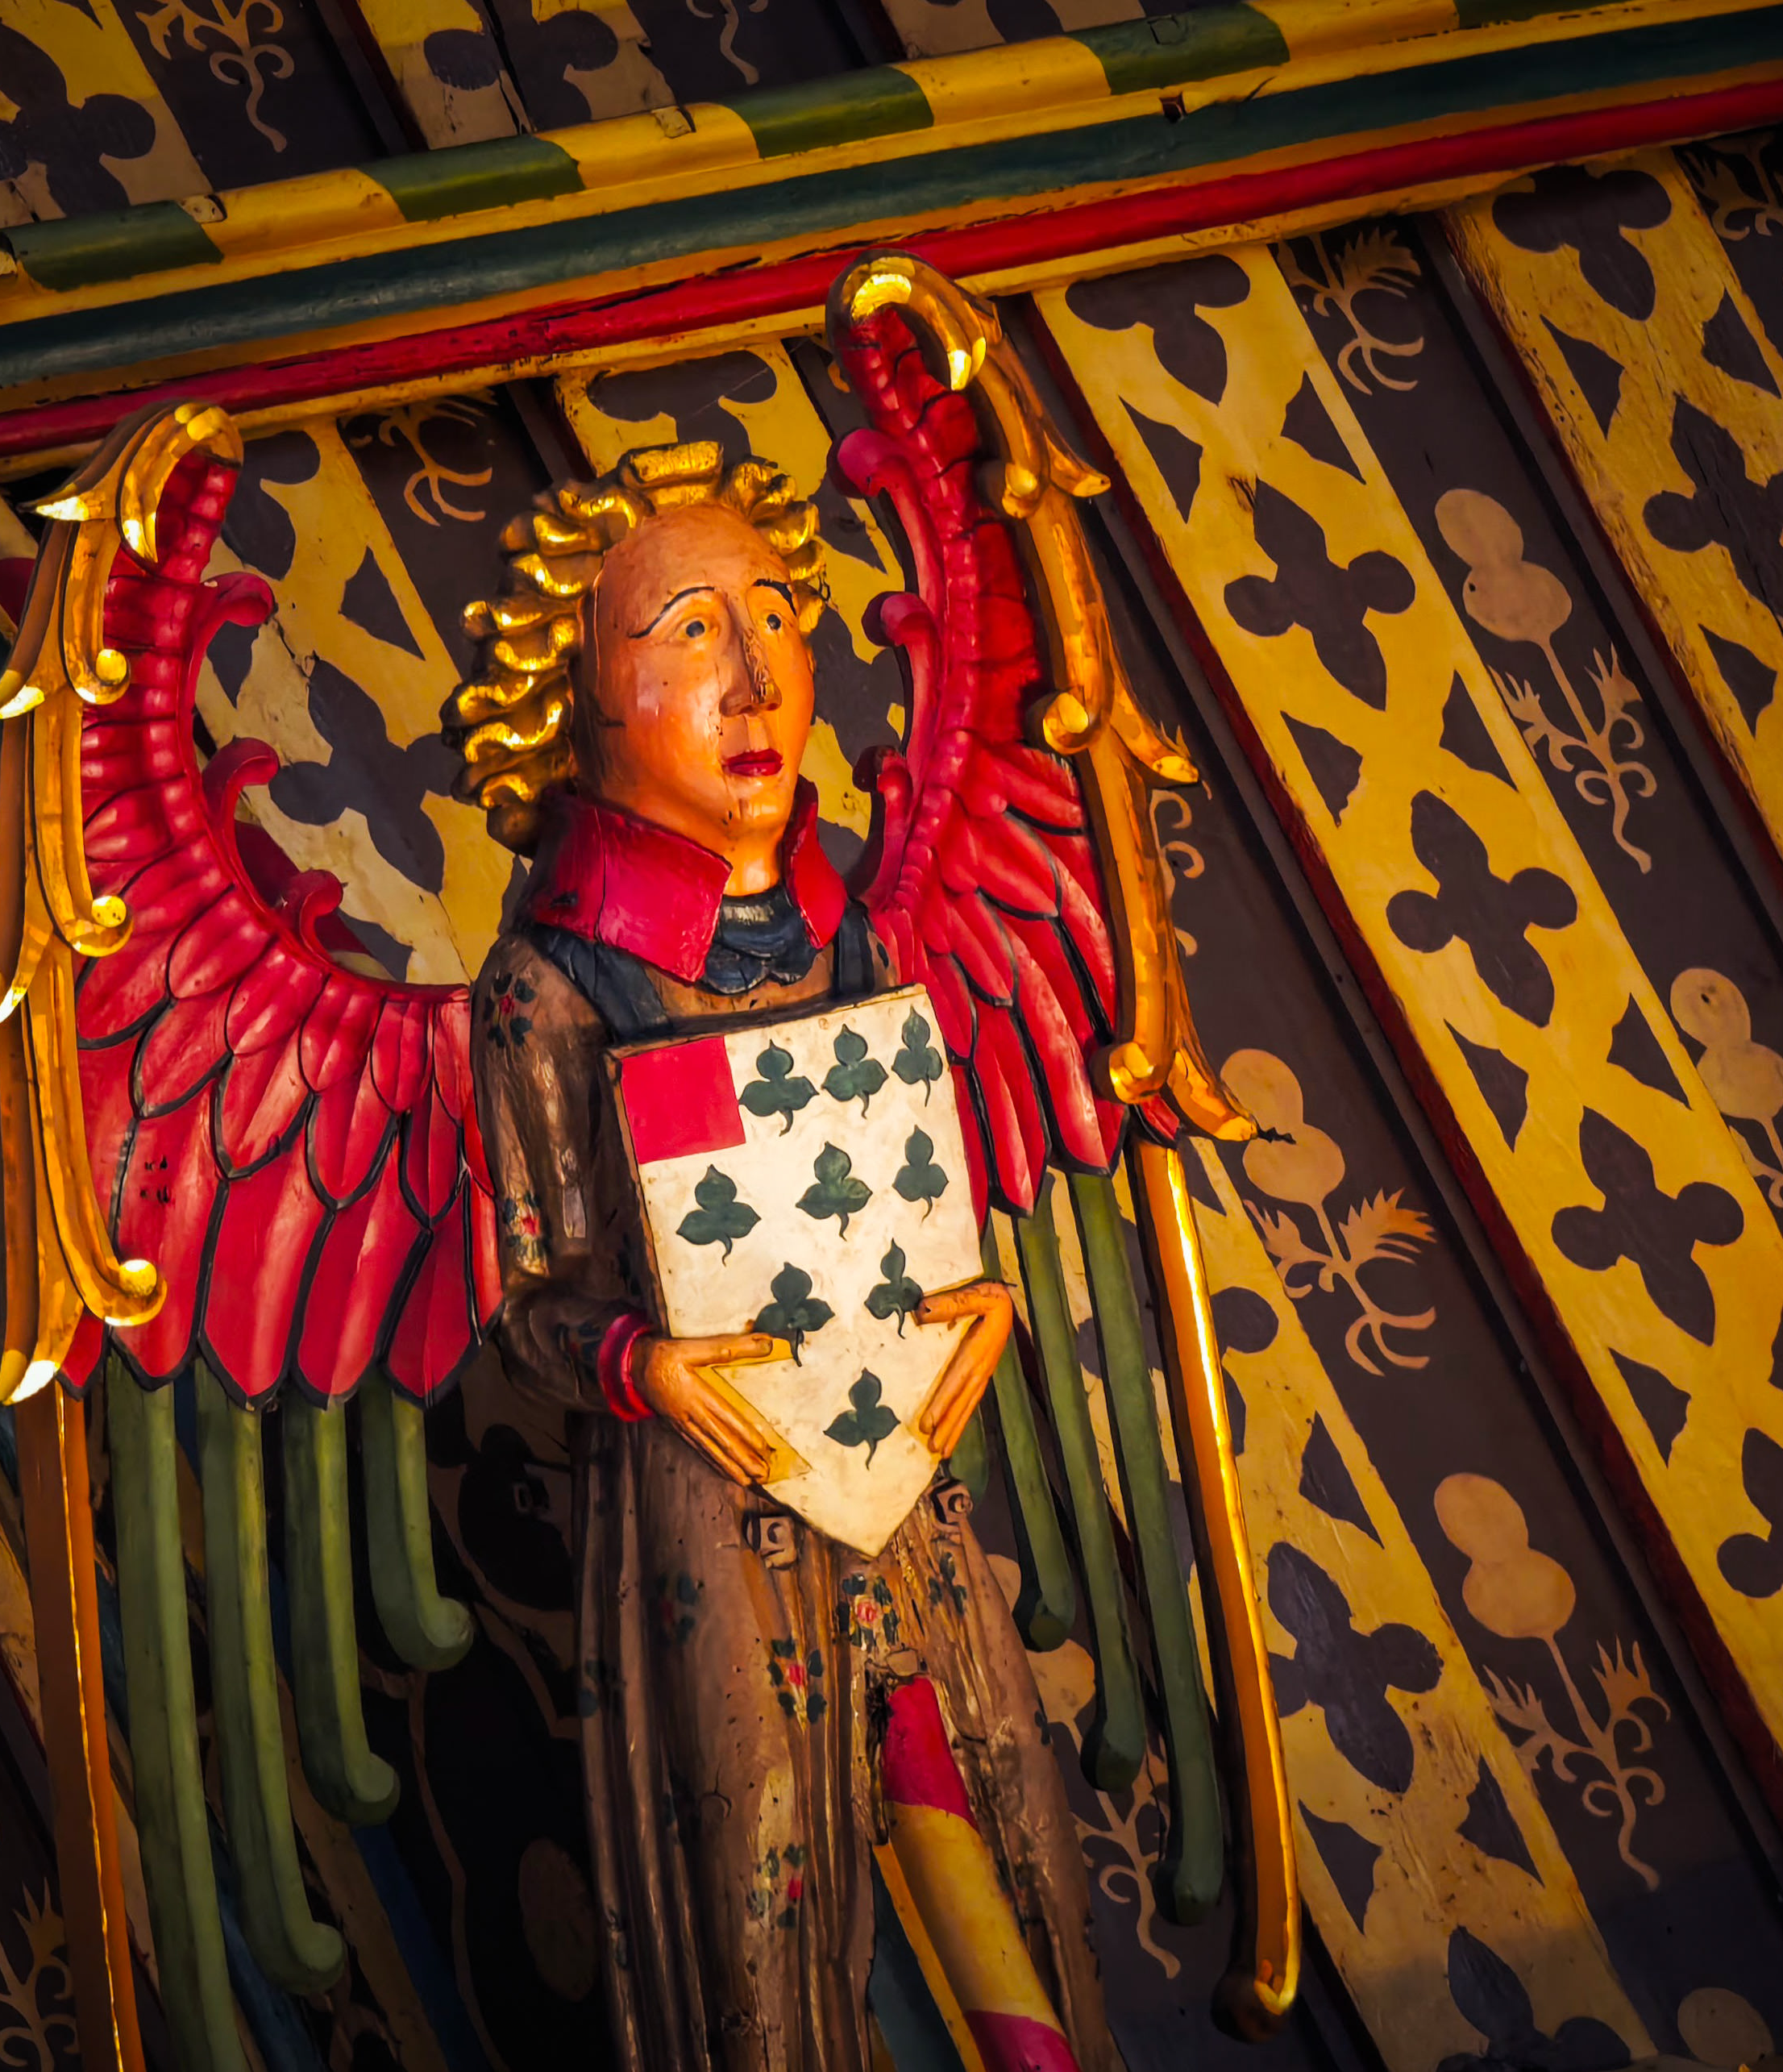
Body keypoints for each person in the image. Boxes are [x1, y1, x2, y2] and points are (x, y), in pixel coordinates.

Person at [445, 441, 1114, 2071]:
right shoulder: (550, 989)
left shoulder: (856, 934)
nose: (752, 679)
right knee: (764, 1913)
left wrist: (977, 1298)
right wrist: (640, 1361)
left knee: (1016, 1845)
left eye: (775, 617)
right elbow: (526, 1298)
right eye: (687, 631)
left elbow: (914, 1188)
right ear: (581, 702)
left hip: (904, 1485)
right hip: (709, 1511)